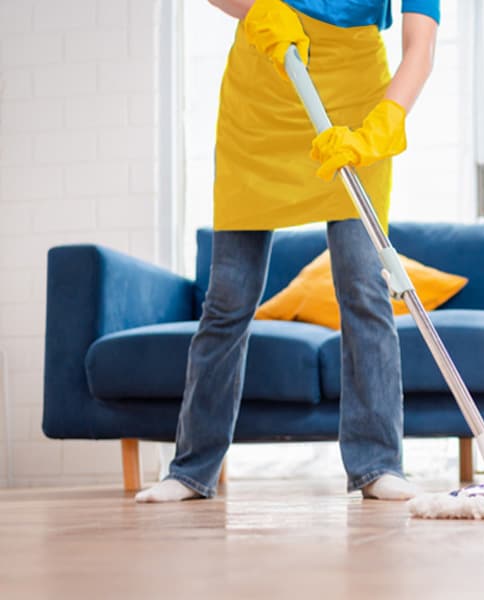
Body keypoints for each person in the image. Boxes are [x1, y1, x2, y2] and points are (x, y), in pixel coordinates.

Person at [135, 0, 439, 503]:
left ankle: (378, 463)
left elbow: (420, 46)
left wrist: (384, 123)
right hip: (267, 86)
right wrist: (258, 8)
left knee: (364, 286)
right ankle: (191, 469)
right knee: (228, 298)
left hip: (357, 97)